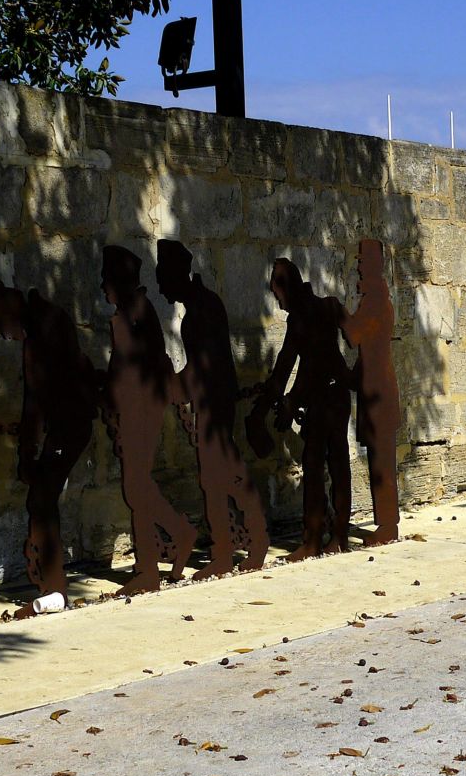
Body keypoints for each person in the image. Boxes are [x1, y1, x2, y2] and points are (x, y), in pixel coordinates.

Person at [0, 275, 100, 615]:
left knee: (42, 499)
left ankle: (55, 587)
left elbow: (36, 399)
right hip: (66, 423)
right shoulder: (44, 323)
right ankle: (52, 585)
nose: (3, 336)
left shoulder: (42, 332)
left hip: (68, 424)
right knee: (41, 498)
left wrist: (28, 451)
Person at [153, 240, 271, 576]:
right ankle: (231, 548)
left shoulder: (200, 313)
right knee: (217, 477)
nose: (161, 289)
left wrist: (171, 384)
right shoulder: (204, 305)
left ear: (175, 275)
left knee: (224, 474)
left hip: (214, 403)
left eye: (162, 279)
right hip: (215, 401)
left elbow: (203, 367)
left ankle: (246, 544)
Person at [99, 245, 199, 593]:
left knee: (137, 486)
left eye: (106, 279)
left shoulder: (134, 312)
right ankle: (177, 536)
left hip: (141, 406)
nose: (103, 287)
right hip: (140, 404)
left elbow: (126, 365)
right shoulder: (134, 311)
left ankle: (148, 569)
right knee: (136, 485)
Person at [250, 258, 352, 560]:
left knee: (315, 463)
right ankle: (338, 535)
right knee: (338, 463)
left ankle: (313, 540)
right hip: (337, 395)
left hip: (324, 398)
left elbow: (295, 367)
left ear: (287, 289)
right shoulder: (327, 307)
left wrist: (288, 401)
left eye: (277, 294)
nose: (278, 303)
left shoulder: (301, 317)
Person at [343, 239, 402, 543]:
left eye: (363, 261)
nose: (358, 267)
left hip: (380, 393)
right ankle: (386, 524)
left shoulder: (375, 301)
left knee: (382, 463)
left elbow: (353, 334)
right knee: (379, 459)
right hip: (375, 388)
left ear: (375, 264)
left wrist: (337, 311)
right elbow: (369, 351)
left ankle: (388, 526)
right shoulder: (374, 300)